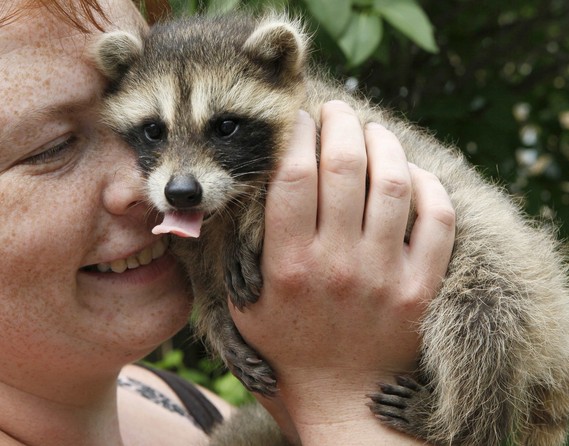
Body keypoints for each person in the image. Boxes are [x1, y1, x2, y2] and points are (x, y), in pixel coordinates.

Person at [0, 0, 456, 445]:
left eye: (122, 136)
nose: (137, 185)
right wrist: (338, 398)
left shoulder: (191, 408)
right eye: (52, 148)